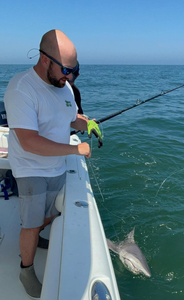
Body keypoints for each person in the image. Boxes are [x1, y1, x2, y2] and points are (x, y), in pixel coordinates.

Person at [3, 29, 101, 298]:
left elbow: (71, 118)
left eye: (74, 69)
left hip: (57, 166)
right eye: (67, 69)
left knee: (50, 215)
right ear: (45, 59)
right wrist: (75, 149)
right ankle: (26, 268)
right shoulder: (21, 88)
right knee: (31, 224)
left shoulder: (64, 85)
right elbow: (29, 142)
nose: (70, 76)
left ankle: (38, 236)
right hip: (31, 169)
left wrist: (87, 123)